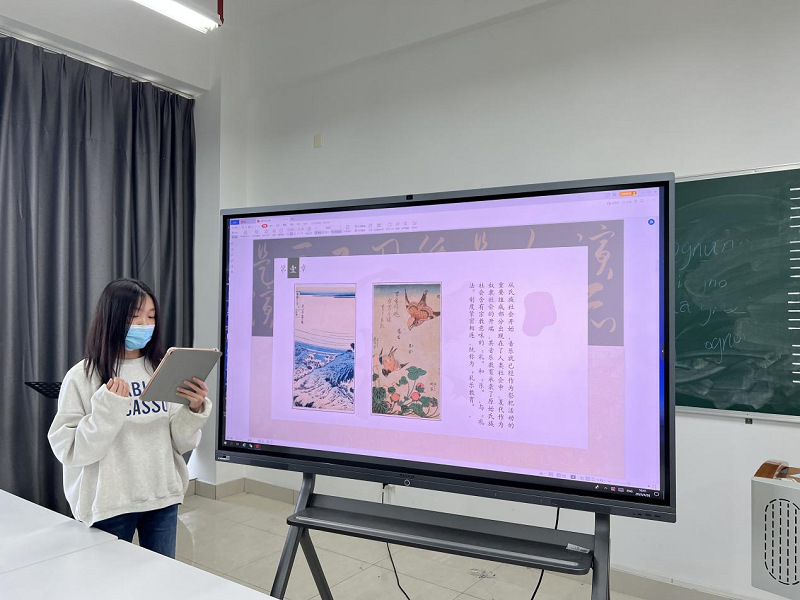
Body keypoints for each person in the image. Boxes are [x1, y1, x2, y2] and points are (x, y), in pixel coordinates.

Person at [48, 278, 211, 558]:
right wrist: (108, 409)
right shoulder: (82, 377)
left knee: (160, 577)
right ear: (111, 318)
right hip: (109, 504)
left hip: (161, 497)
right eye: (135, 316)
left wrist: (193, 410)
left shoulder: (162, 369)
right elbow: (71, 450)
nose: (145, 324)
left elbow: (179, 442)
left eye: (151, 316)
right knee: (110, 579)